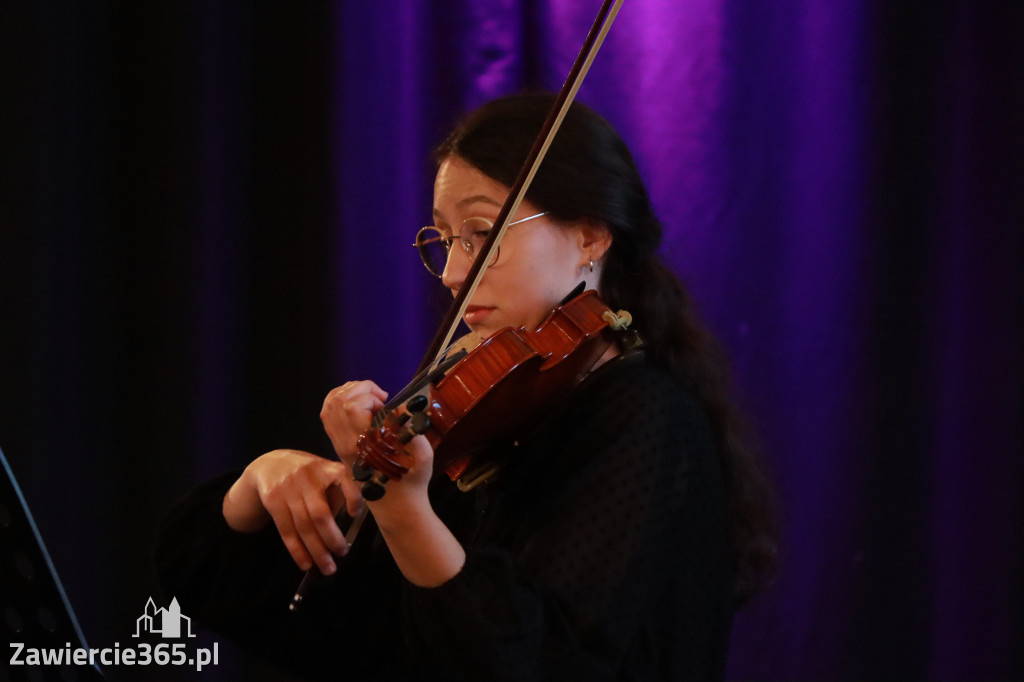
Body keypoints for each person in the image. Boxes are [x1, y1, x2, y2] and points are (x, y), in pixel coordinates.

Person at [156, 93, 778, 681]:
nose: (454, 273)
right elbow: (314, 627)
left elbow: (535, 664)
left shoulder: (645, 418)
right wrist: (258, 485)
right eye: (445, 240)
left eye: (482, 234)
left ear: (589, 236)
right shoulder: (477, 414)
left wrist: (404, 513)